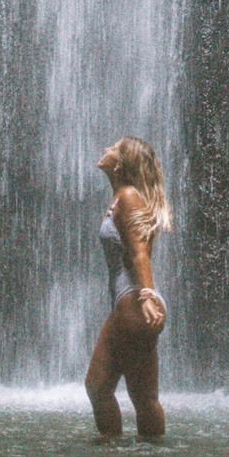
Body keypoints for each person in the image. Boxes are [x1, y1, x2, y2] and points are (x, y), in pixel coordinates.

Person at [85, 135, 172, 437]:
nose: (106, 148)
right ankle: (152, 456)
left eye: (113, 148)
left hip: (134, 302)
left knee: (97, 387)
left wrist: (147, 295)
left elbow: (139, 251)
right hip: (134, 304)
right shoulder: (121, 196)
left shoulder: (129, 197)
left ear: (120, 164)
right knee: (144, 399)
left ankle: (111, 454)